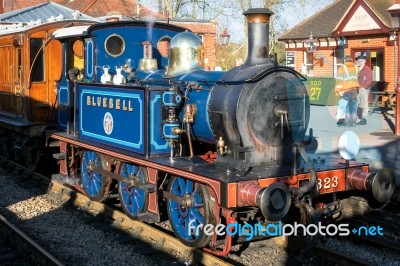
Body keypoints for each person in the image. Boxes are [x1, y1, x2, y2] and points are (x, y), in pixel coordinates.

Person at [335, 55, 359, 127]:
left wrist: (339, 91)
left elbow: (339, 80)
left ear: (345, 61)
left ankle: (347, 122)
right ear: (352, 60)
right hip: (354, 90)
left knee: (346, 108)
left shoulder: (342, 68)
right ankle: (354, 123)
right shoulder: (356, 67)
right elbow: (356, 77)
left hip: (346, 90)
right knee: (353, 108)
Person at [356, 54, 373, 125]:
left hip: (364, 89)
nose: (360, 62)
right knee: (359, 102)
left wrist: (363, 86)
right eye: (358, 61)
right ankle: (359, 117)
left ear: (365, 61)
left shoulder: (367, 69)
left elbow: (369, 80)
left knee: (363, 103)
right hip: (357, 88)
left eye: (361, 61)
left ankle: (363, 118)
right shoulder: (357, 68)